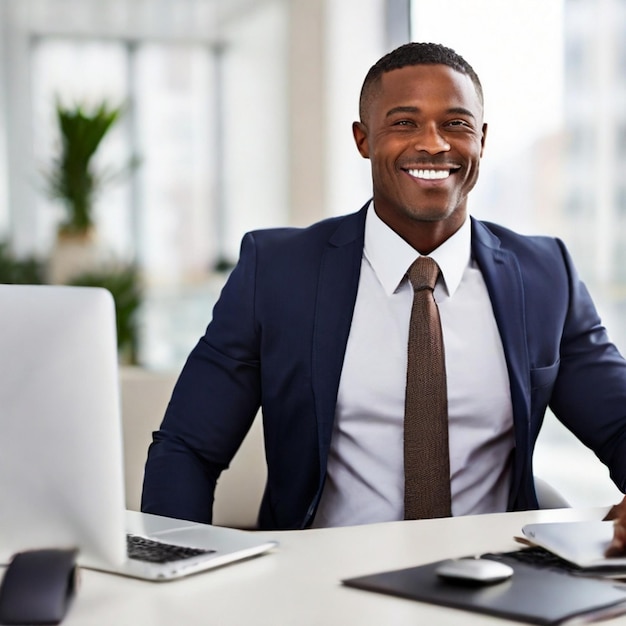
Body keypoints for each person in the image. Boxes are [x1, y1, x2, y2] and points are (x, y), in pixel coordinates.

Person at [141, 42, 626, 542]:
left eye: (456, 124)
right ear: (363, 139)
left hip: (497, 582)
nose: (434, 144)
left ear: (481, 139)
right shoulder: (278, 272)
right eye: (404, 122)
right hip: (320, 583)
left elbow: (618, 423)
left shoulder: (545, 275)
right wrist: (175, 571)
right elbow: (188, 449)